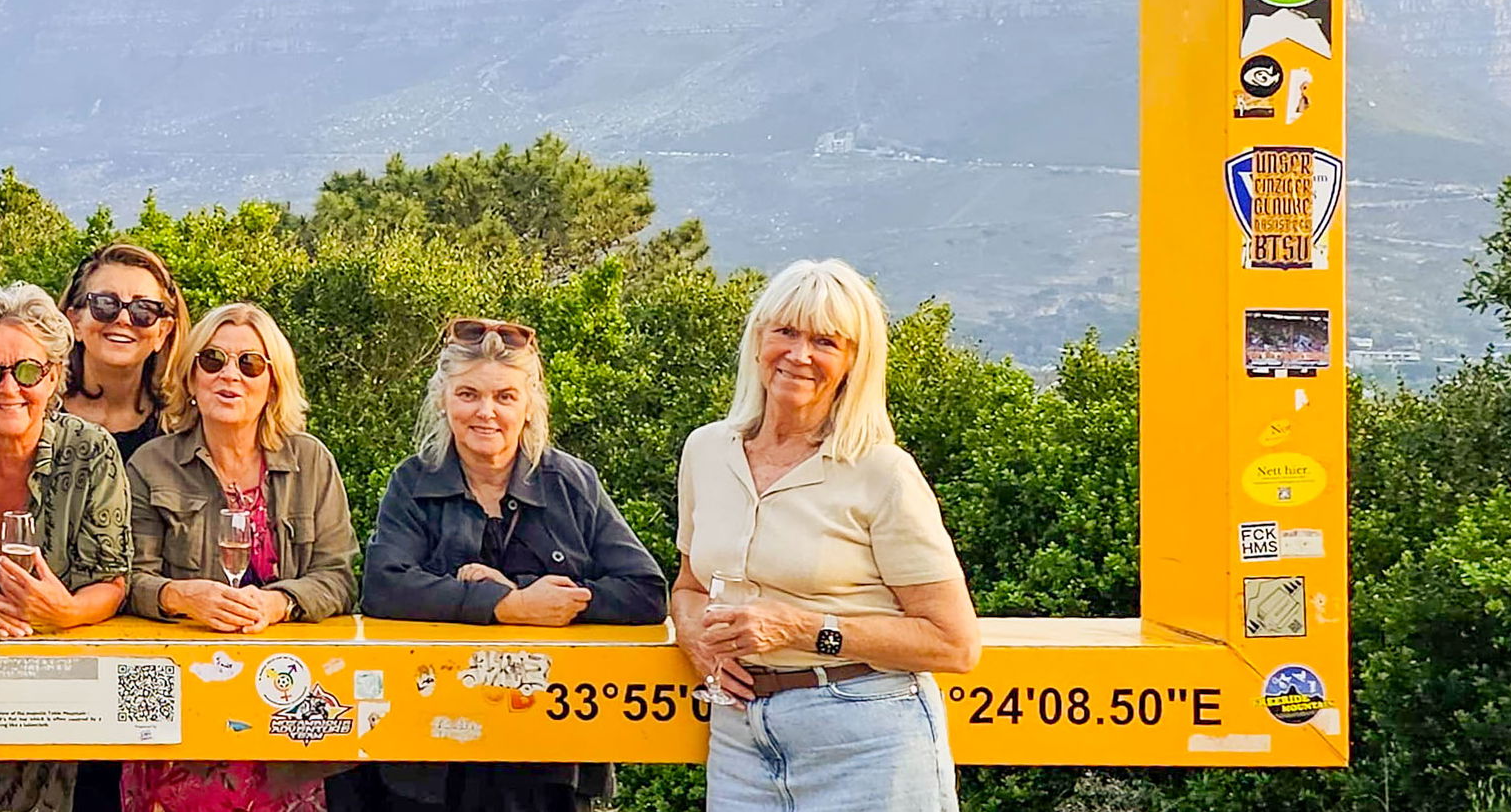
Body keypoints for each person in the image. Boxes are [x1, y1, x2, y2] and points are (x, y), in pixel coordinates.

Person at [672, 259, 981, 811]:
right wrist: (698, 642)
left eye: (825, 341)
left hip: (867, 735)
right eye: (785, 332)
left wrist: (799, 627)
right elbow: (690, 586)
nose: (799, 355)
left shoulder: (882, 471)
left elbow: (953, 643)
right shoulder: (706, 450)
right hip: (740, 737)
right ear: (757, 340)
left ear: (854, 363)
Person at [358, 317, 670, 812]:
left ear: (529, 405)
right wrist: (506, 604)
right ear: (444, 399)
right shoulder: (413, 482)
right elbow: (383, 587)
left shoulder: (572, 483)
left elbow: (646, 591)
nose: (486, 413)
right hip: (430, 757)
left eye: (504, 396)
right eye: (468, 395)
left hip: (549, 757)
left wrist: (537, 596)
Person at [123, 302, 358, 812]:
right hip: (180, 717)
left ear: (273, 382)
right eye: (213, 360)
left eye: (250, 363)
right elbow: (126, 578)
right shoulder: (150, 464)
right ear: (190, 377)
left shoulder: (312, 461)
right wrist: (178, 596)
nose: (230, 375)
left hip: (287, 720)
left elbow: (339, 575)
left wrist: (280, 603)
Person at [0, 284, 131, 812]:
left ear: (55, 376)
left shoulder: (90, 452)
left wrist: (65, 611)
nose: (9, 387)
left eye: (28, 371)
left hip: (55, 698)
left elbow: (112, 575)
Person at [58, 243, 189, 459]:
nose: (123, 319)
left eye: (143, 309)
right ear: (75, 322)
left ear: (163, 332)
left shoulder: (182, 429)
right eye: (106, 304)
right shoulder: (37, 414)